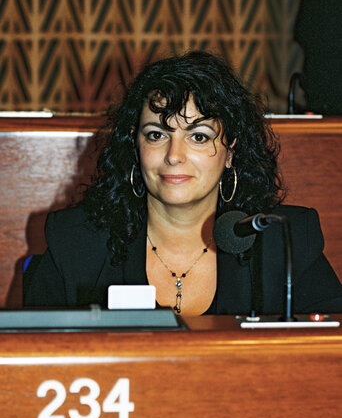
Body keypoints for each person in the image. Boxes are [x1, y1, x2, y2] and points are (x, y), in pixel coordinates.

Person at [24, 51, 342, 315]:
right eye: (157, 135)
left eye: (198, 136)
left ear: (230, 151)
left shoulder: (285, 242)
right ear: (135, 147)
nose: (174, 155)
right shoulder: (75, 242)